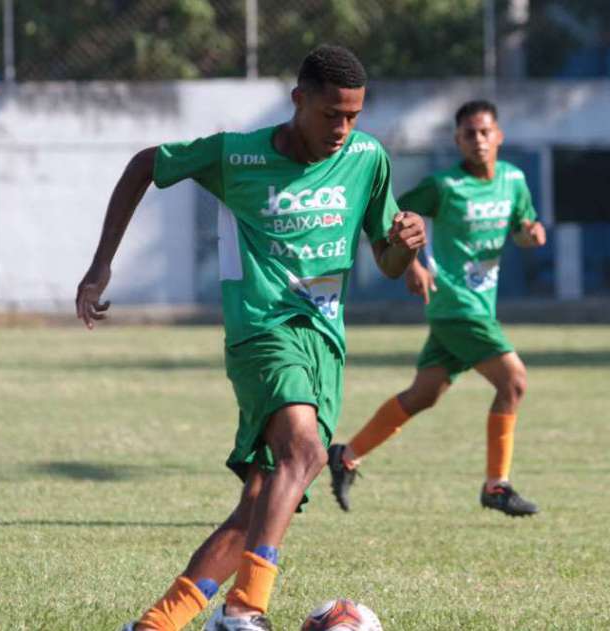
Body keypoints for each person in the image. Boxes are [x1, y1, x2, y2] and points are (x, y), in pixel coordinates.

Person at [75, 45, 426, 631]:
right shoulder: (236, 154)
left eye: (353, 116)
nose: (342, 128)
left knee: (260, 504)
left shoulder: (368, 159)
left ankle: (157, 624)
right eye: (330, 114)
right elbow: (144, 164)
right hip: (261, 331)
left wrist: (406, 245)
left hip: (325, 343)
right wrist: (101, 265)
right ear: (299, 101)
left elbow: (386, 260)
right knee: (307, 453)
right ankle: (245, 611)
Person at [327, 100, 546, 518]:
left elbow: (521, 229)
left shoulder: (514, 180)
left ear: (498, 135)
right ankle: (496, 486)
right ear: (457, 140)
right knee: (513, 382)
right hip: (457, 306)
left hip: (477, 306)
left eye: (485, 132)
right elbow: (395, 218)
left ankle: (347, 455)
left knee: (423, 395)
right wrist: (413, 263)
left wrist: (530, 235)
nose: (478, 141)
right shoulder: (444, 186)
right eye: (469, 134)